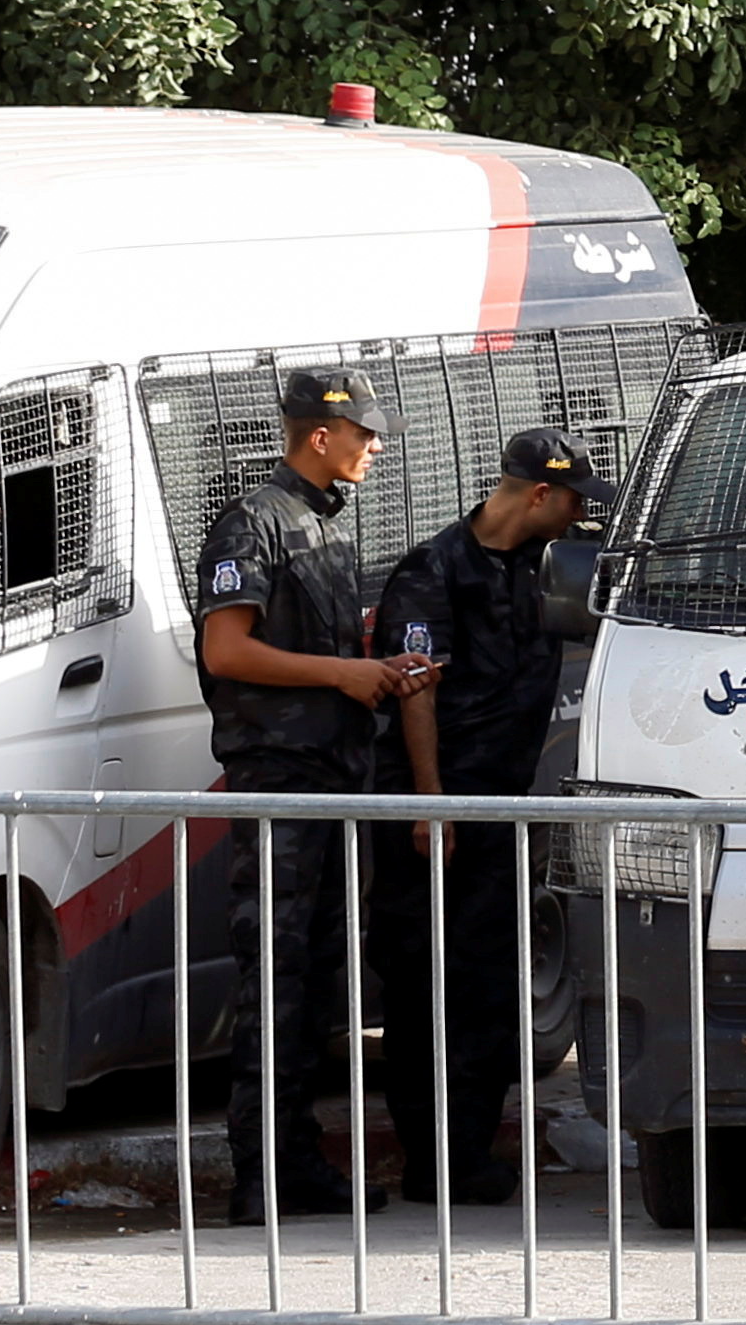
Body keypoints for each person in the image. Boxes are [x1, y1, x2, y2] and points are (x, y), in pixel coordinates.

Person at [195, 369, 432, 1220]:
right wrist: (344, 671)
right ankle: (260, 1174)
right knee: (277, 981)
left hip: (332, 785)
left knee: (316, 983)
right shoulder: (254, 521)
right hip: (280, 788)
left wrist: (379, 675)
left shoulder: (322, 524)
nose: (374, 446)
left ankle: (292, 1163)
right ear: (319, 434)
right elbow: (228, 651)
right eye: (364, 433)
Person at [365, 426, 589, 1202]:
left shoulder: (543, 569)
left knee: (490, 986)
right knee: (427, 984)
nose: (578, 518)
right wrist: (433, 806)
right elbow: (416, 690)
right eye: (572, 502)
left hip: (498, 812)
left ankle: (466, 1157)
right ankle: (435, 1162)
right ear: (537, 494)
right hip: (435, 816)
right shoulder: (435, 571)